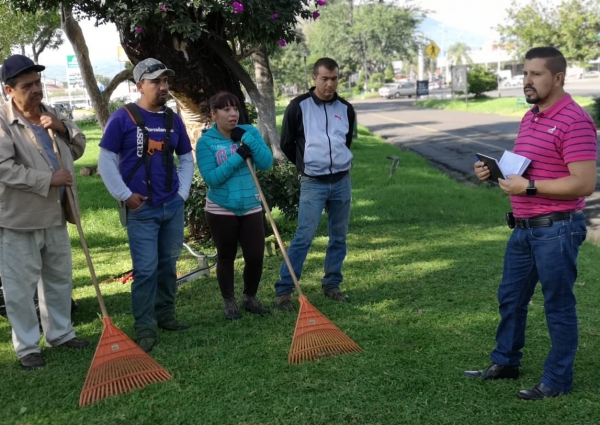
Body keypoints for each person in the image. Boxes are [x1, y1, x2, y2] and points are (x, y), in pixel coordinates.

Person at [465, 47, 597, 400]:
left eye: (536, 74)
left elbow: (584, 183)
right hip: (524, 228)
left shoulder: (575, 120)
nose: (527, 81)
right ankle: (506, 362)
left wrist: (532, 186)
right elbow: (527, 170)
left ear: (558, 78)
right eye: (525, 74)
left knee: (558, 304)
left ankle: (557, 381)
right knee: (510, 298)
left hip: (556, 229)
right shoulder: (532, 117)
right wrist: (494, 174)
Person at [0, 54, 90, 370]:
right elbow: (3, 168)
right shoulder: (1, 120)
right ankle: (27, 347)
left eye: (38, 83)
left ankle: (61, 333)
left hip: (55, 211)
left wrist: (63, 127)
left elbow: (79, 147)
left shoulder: (49, 113)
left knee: (58, 277)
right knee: (19, 287)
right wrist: (48, 179)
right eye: (27, 86)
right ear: (8, 90)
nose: (36, 91)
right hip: (19, 218)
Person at [98, 58, 194, 353]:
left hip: (171, 207)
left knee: (168, 266)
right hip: (141, 210)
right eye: (156, 82)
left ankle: (166, 316)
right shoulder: (123, 117)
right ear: (139, 85)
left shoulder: (172, 119)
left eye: (165, 81)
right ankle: (145, 327)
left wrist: (182, 195)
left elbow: (186, 158)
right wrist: (125, 195)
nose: (163, 87)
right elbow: (105, 161)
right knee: (147, 269)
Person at [273, 57, 356, 311]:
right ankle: (284, 291)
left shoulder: (345, 108)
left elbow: (346, 141)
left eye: (334, 79)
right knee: (303, 237)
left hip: (342, 180)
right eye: (324, 79)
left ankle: (332, 285)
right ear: (314, 78)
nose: (329, 84)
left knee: (338, 237)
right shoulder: (299, 107)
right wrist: (305, 165)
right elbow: (287, 143)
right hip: (313, 183)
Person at [196, 92, 273, 320]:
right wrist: (239, 155)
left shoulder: (249, 132)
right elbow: (212, 178)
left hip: (251, 205)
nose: (233, 114)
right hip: (221, 208)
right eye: (226, 109)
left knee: (255, 256)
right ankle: (229, 302)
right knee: (226, 256)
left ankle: (250, 298)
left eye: (236, 109)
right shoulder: (206, 143)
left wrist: (248, 141)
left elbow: (266, 163)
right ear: (214, 114)